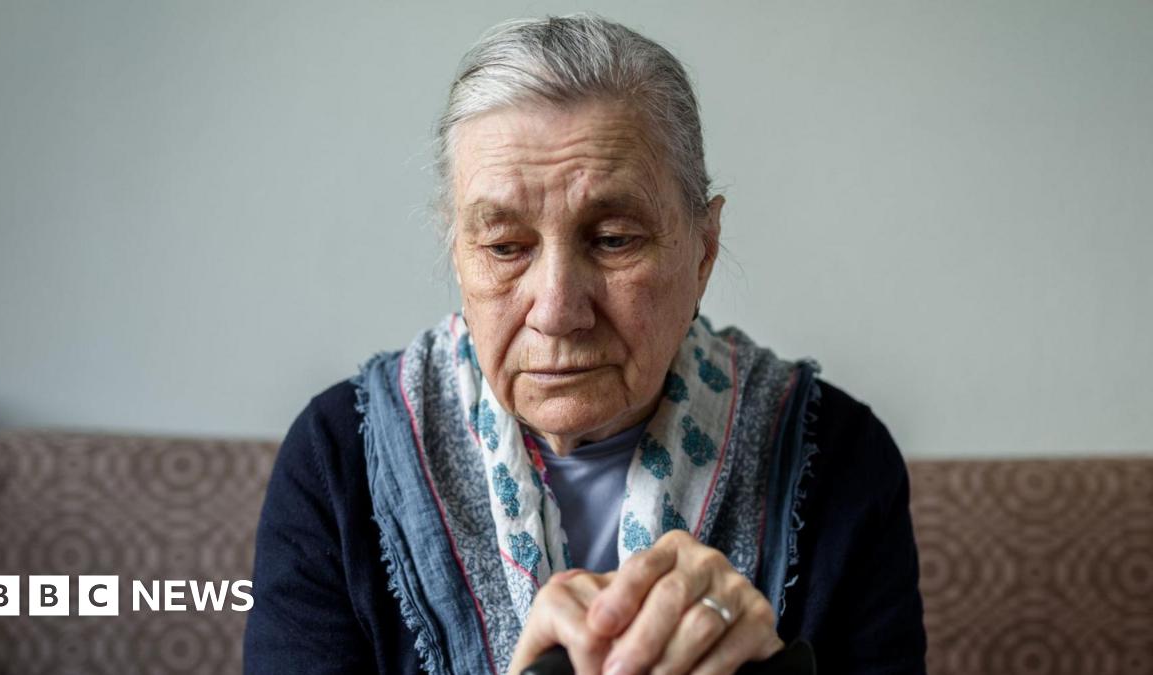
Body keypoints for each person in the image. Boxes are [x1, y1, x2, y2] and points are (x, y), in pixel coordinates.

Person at [243, 13, 926, 675]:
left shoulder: (838, 458)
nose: (559, 310)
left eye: (614, 239)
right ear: (458, 256)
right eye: (506, 246)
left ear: (704, 252)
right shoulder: (340, 461)